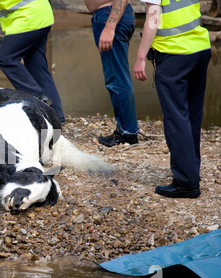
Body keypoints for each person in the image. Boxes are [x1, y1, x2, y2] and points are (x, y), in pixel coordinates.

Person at [133, 0, 211, 198]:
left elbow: (153, 16)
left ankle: (186, 183)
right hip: (200, 48)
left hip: (173, 53)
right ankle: (191, 173)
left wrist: (140, 57)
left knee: (176, 118)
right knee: (192, 116)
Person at [0, 0, 65, 123]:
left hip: (27, 18)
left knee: (5, 59)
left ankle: (38, 98)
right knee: (37, 68)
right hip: (41, 15)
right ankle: (56, 117)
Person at [87, 0, 140, 147]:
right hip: (110, 16)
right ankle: (126, 129)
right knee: (117, 77)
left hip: (110, 16)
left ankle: (127, 133)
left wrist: (110, 26)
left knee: (117, 79)